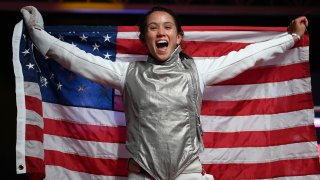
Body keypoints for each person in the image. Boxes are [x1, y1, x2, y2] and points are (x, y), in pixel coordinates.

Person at [20, 5, 308, 180]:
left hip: (189, 173)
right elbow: (77, 59)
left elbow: (248, 56)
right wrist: (39, 34)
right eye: (153, 28)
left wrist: (290, 37)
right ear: (144, 38)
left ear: (178, 37)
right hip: (141, 174)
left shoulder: (199, 70)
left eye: (168, 27)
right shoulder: (126, 73)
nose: (161, 32)